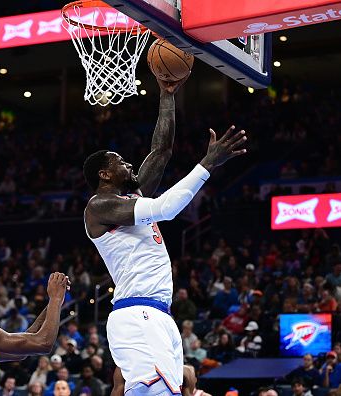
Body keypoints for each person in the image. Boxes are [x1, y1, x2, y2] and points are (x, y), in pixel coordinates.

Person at [84, 75, 248, 394]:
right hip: (137, 313)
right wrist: (207, 164)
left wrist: (167, 94)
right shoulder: (99, 206)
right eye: (120, 162)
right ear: (104, 174)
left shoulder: (132, 197)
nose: (129, 163)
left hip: (157, 314)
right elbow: (166, 208)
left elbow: (161, 150)